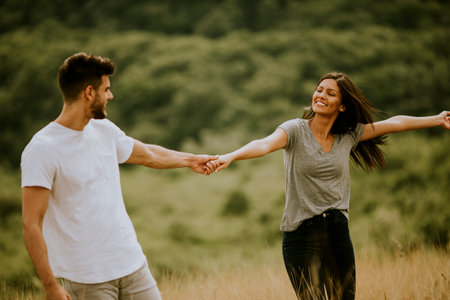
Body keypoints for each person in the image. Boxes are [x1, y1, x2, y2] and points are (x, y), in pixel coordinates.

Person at [212, 72, 450, 299]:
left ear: (342, 105)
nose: (321, 96)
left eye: (330, 93)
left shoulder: (349, 135)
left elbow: (394, 123)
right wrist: (230, 156)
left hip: (337, 231)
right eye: (319, 90)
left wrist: (437, 119)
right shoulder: (295, 130)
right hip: (300, 235)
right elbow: (263, 144)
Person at [21, 52, 217, 300]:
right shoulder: (42, 149)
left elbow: (148, 154)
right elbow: (31, 224)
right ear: (89, 93)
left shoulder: (103, 130)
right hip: (87, 280)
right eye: (107, 89)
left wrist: (191, 160)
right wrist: (50, 286)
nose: (111, 96)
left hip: (133, 266)